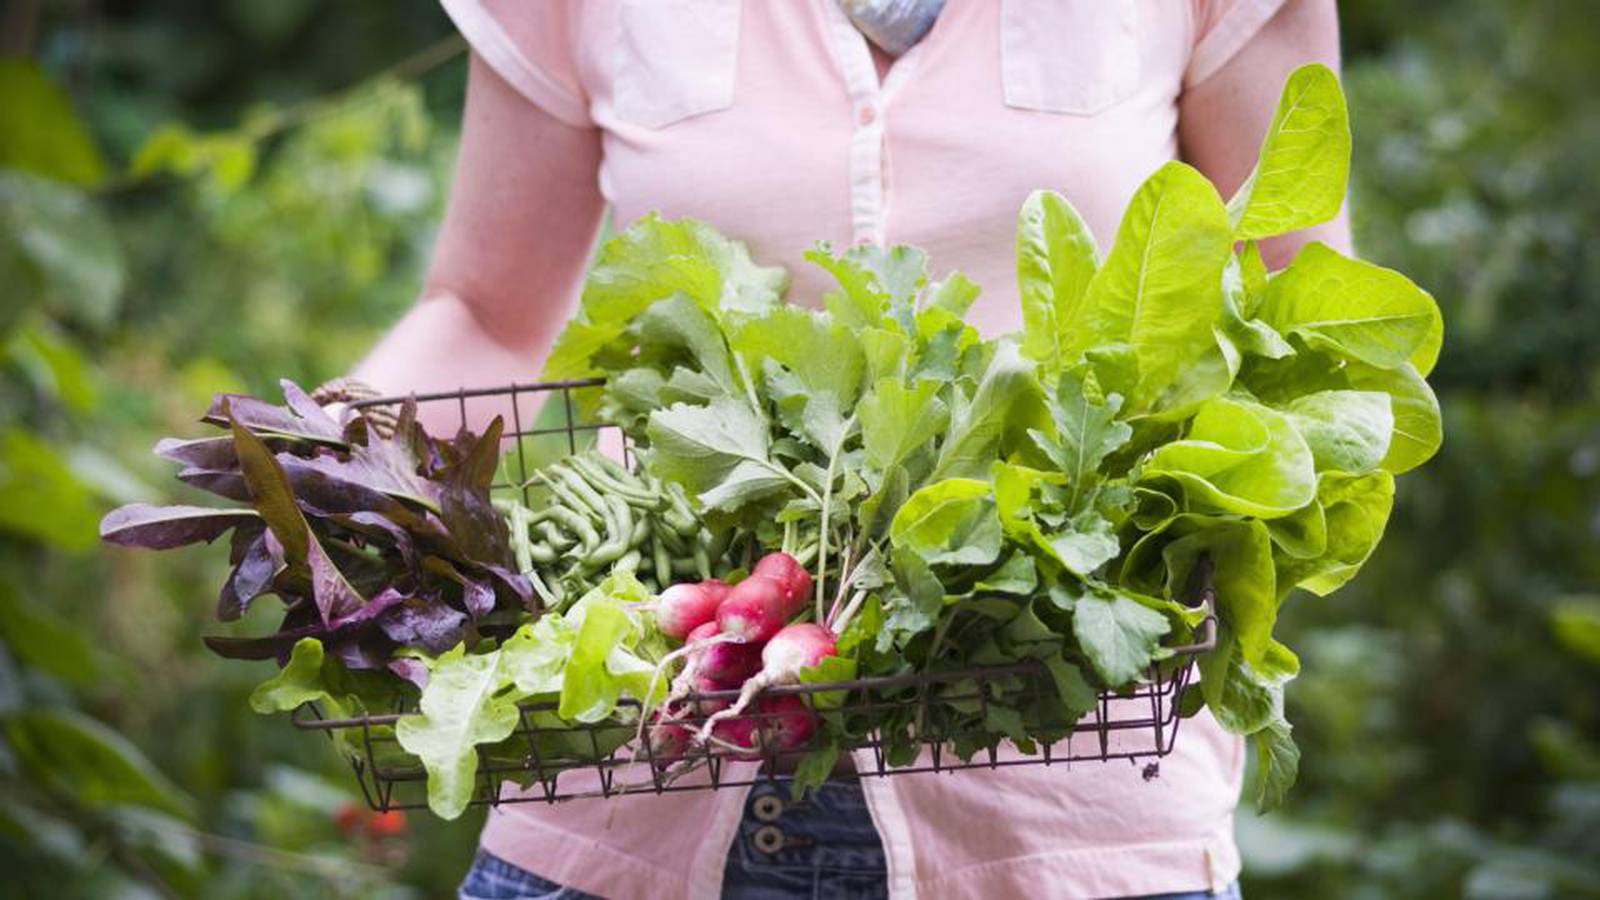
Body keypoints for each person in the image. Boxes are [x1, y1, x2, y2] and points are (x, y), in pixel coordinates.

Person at [346, 2, 1350, 897]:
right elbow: (486, 312)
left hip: (1064, 812)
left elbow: (1307, 339)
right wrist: (327, 462)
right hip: (636, 783)